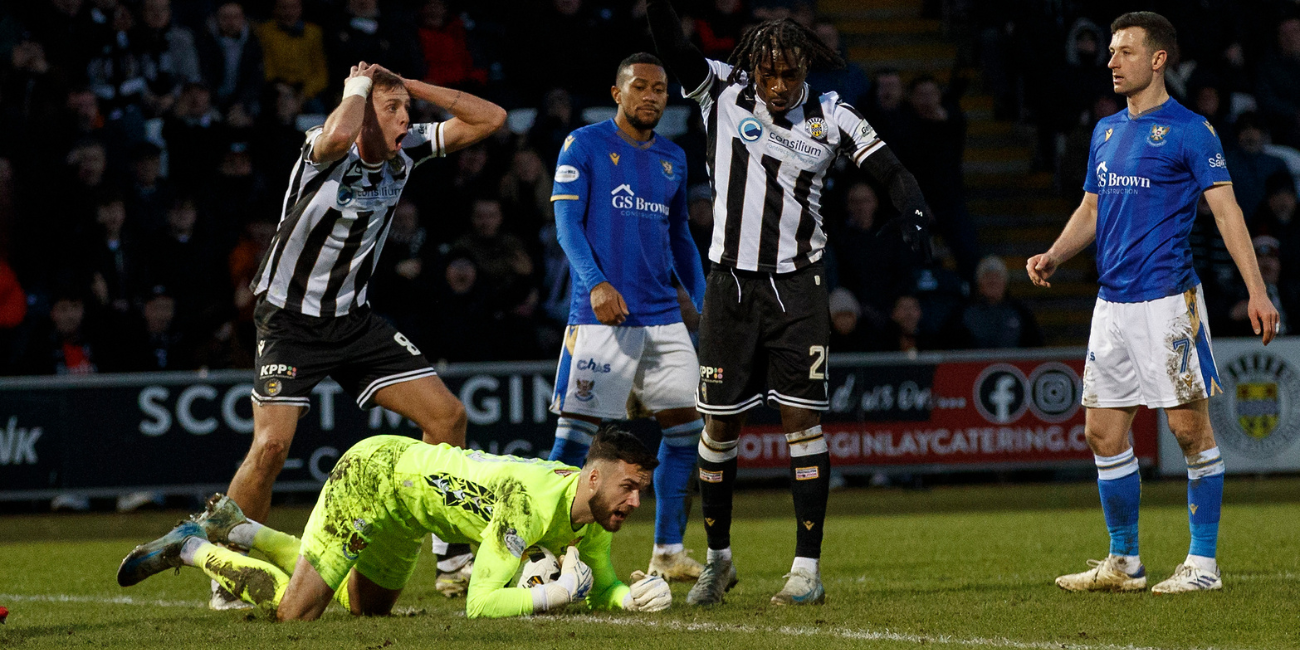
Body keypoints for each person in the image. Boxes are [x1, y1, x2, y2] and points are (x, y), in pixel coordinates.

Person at [647, 0, 932, 606]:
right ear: (752, 68)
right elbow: (672, 46)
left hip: (799, 286)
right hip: (728, 286)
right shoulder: (719, 89)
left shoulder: (833, 116)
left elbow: (891, 168)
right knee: (718, 427)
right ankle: (717, 563)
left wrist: (911, 208)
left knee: (801, 423)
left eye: (790, 76)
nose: (778, 87)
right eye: (769, 74)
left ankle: (806, 571)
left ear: (807, 71)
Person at [222, 61, 506, 610]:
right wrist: (359, 90)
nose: (407, 118)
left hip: (353, 321)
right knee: (271, 447)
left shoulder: (409, 148)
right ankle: (230, 568)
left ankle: (452, 560)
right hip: (288, 319)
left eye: (407, 110)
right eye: (393, 109)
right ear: (362, 112)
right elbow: (336, 132)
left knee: (447, 418)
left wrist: (411, 85)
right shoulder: (326, 149)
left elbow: (490, 117)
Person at [1026, 12, 1280, 595]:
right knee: (1101, 432)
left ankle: (1203, 565)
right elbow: (1091, 209)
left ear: (1159, 58)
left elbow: (1226, 212)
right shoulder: (1106, 131)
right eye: (1111, 51)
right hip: (1111, 305)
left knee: (1190, 431)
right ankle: (1124, 561)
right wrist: (1055, 255)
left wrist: (1257, 290)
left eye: (1125, 52)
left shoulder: (1192, 130)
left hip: (1168, 301)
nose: (1112, 61)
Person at [118, 426, 674, 620]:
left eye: (640, 492)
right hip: (375, 478)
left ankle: (242, 530)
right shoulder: (526, 504)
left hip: (409, 506)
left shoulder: (595, 515)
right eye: (628, 487)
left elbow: (598, 580)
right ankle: (192, 545)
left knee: (365, 609)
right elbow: (480, 603)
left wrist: (629, 598)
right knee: (296, 613)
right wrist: (551, 597)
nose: (633, 502)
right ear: (594, 478)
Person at [546, 52, 707, 582]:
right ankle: (546, 552)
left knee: (688, 433)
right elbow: (566, 223)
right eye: (640, 87)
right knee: (574, 442)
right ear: (617, 94)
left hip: (663, 318)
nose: (652, 96)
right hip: (602, 321)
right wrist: (595, 285)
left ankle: (667, 551)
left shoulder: (673, 158)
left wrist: (703, 300)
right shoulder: (584, 144)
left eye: (660, 89)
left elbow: (680, 236)